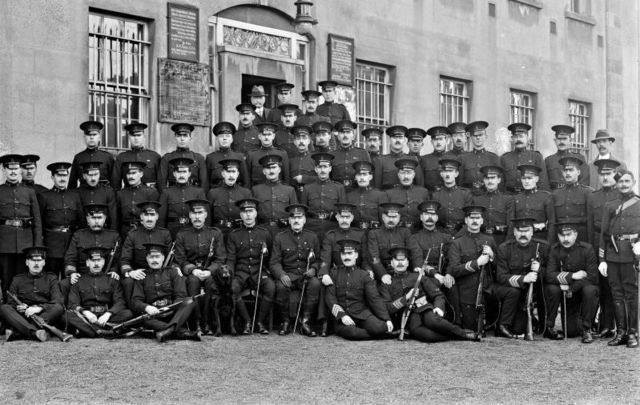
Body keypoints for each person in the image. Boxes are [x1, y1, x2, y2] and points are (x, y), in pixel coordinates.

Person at [379, 246, 481, 342]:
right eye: (397, 260)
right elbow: (388, 308)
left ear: (407, 263)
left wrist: (438, 307)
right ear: (391, 263)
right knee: (427, 336)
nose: (400, 263)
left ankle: (464, 334)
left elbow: (437, 295)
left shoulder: (418, 277)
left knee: (432, 321)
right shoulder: (387, 284)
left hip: (425, 310)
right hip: (408, 318)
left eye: (403, 260)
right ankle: (454, 335)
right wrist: (407, 297)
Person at [598, 168, 639, 348]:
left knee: (631, 294)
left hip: (632, 254)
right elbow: (604, 234)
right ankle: (621, 331)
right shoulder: (610, 205)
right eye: (620, 181)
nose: (623, 184)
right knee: (616, 294)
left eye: (627, 181)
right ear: (617, 183)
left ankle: (633, 333)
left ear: (633, 183)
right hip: (613, 254)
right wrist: (602, 259)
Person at [174, 199, 226, 334]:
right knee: (192, 282)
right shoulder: (182, 234)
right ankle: (195, 322)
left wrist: (210, 271)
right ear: (189, 216)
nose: (197, 217)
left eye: (200, 213)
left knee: (210, 282)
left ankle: (207, 322)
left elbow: (221, 258)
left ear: (206, 215)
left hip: (210, 272)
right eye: (194, 213)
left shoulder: (215, 233)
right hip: (192, 273)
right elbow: (180, 259)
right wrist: (193, 270)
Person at [130, 243, 200, 342]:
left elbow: (180, 295)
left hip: (173, 314)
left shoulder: (173, 272)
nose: (154, 260)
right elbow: (135, 301)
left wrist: (173, 306)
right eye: (151, 257)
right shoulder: (142, 275)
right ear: (147, 258)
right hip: (154, 316)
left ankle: (169, 330)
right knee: (144, 320)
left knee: (190, 301)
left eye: (157, 257)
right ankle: (182, 332)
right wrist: (147, 307)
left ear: (163, 258)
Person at [318, 202, 369, 336]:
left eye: (348, 217)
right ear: (337, 217)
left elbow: (364, 258)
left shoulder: (360, 235)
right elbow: (325, 258)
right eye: (342, 217)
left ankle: (365, 319)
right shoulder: (331, 235)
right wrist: (324, 273)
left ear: (352, 218)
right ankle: (325, 322)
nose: (345, 220)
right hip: (337, 272)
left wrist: (369, 272)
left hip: (356, 272)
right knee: (324, 283)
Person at [325, 238, 393, 340]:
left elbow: (374, 299)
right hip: (343, 318)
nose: (346, 257)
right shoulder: (334, 273)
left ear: (356, 255)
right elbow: (330, 298)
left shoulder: (364, 275)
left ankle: (379, 333)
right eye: (343, 254)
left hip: (362, 314)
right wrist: (342, 316)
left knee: (380, 328)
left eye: (350, 253)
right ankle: (381, 335)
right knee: (352, 333)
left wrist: (386, 319)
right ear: (340, 255)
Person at [270, 204, 321, 336]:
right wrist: (281, 275)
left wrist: (314, 270)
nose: (296, 220)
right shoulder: (280, 237)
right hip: (288, 275)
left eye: (300, 217)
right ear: (289, 220)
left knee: (315, 284)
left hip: (306, 275)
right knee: (281, 287)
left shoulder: (312, 237)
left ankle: (306, 322)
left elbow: (318, 259)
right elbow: (274, 262)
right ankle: (285, 322)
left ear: (305, 220)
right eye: (293, 218)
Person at [226, 198, 275, 335]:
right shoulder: (233, 235)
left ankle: (259, 322)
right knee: (232, 288)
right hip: (241, 273)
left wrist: (268, 272)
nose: (248, 215)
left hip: (258, 271)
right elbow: (231, 259)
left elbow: (270, 256)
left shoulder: (265, 233)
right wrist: (230, 274)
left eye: (250, 211)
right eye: (244, 212)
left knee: (270, 287)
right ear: (240, 215)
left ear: (256, 213)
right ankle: (247, 321)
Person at [545, 220, 599, 343]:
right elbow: (549, 275)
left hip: (580, 291)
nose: (565, 239)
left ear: (576, 234)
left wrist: (571, 288)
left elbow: (592, 277)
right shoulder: (554, 250)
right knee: (570, 332)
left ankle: (587, 329)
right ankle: (549, 327)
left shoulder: (587, 249)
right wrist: (573, 275)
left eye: (569, 235)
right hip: (565, 294)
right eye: (562, 235)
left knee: (590, 289)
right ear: (558, 236)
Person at [494, 217, 548, 338]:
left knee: (547, 289)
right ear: (514, 232)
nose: (523, 234)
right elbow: (501, 277)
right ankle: (504, 325)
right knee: (518, 329)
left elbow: (550, 273)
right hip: (512, 293)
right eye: (519, 231)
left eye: (527, 230)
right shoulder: (504, 248)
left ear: (532, 232)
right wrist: (524, 279)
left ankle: (546, 325)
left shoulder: (542, 247)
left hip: (530, 293)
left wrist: (539, 270)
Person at [446, 205, 497, 332]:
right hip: (467, 289)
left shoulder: (489, 240)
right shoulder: (457, 243)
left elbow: (500, 267)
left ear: (482, 221)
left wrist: (492, 255)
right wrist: (477, 263)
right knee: (471, 326)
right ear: (466, 221)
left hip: (488, 288)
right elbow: (454, 269)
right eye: (471, 218)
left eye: (478, 218)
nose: (474, 221)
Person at [587, 159, 621, 338]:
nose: (606, 177)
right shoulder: (593, 196)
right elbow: (589, 223)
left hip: (615, 245)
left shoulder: (621, 195)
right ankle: (597, 323)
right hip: (596, 243)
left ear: (615, 174)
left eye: (609, 174)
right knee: (597, 284)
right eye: (602, 174)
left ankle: (610, 324)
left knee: (611, 286)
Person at [66, 246, 133, 338]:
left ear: (104, 262)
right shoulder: (78, 280)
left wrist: (108, 314)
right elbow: (72, 303)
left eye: (99, 260)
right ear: (87, 263)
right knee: (67, 315)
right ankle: (102, 331)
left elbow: (120, 302)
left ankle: (89, 331)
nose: (96, 264)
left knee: (128, 313)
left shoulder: (112, 280)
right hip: (86, 317)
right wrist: (86, 312)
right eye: (93, 261)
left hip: (106, 317)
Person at [0, 246, 63, 342]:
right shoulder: (17, 279)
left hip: (43, 315)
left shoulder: (51, 278)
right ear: (27, 262)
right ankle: (34, 332)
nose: (36, 263)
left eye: (39, 260)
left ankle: (19, 332)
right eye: (33, 260)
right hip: (23, 315)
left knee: (58, 308)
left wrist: (39, 308)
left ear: (44, 262)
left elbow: (57, 301)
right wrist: (19, 307)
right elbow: (11, 302)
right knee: (4, 308)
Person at [0, 154, 43, 295]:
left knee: (24, 279)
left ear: (20, 170)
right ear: (4, 170)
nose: (13, 172)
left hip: (26, 244)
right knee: (6, 279)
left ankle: (22, 309)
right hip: (4, 244)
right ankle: (7, 311)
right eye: (9, 168)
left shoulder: (29, 192)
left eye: (16, 168)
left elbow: (37, 221)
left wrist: (36, 246)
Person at [61, 203, 121, 300]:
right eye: (93, 218)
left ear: (105, 218)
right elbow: (70, 258)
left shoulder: (114, 236)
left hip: (105, 276)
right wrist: (72, 273)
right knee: (64, 284)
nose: (96, 221)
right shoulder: (78, 235)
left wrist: (114, 271)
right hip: (82, 276)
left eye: (100, 218)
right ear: (87, 219)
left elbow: (117, 259)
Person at [407, 201, 455, 319]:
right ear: (421, 217)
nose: (430, 217)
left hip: (444, 274)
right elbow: (418, 263)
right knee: (432, 284)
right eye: (426, 214)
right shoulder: (414, 238)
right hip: (425, 275)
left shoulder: (446, 237)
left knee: (454, 285)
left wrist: (449, 274)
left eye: (433, 214)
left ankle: (455, 319)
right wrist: (436, 275)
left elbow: (452, 259)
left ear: (437, 217)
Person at [120, 201, 172, 306]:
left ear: (157, 216)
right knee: (128, 282)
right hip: (141, 274)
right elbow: (124, 260)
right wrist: (130, 272)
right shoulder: (132, 235)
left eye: (152, 215)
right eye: (146, 215)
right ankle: (133, 312)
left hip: (160, 273)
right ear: (141, 216)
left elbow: (171, 258)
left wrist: (176, 268)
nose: (149, 218)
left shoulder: (165, 234)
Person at [37, 162, 84, 278]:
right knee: (51, 279)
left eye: (64, 175)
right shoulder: (44, 196)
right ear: (52, 177)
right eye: (59, 176)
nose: (62, 179)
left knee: (69, 280)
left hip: (70, 244)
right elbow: (39, 223)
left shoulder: (75, 196)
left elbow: (81, 221)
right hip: (52, 245)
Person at [299, 152, 346, 239]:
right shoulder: (307, 188)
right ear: (316, 169)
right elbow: (303, 211)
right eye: (320, 167)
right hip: (312, 227)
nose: (322, 170)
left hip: (332, 227)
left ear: (330, 168)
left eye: (325, 167)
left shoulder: (339, 188)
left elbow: (342, 211)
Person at [158, 157, 208, 238]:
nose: (181, 175)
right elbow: (161, 219)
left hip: (193, 232)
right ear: (174, 174)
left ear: (189, 173)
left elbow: (205, 218)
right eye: (178, 172)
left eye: (184, 172)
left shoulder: (198, 192)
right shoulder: (166, 192)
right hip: (172, 232)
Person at [251, 154, 298, 236]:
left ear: (279, 169)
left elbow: (295, 214)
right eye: (268, 168)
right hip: (262, 231)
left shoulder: (289, 190)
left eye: (274, 167)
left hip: (284, 232)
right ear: (263, 171)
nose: (271, 171)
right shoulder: (256, 190)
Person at [367, 202, 412, 284]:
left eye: (394, 217)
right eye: (388, 217)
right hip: (382, 274)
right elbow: (374, 257)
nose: (391, 220)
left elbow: (413, 252)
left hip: (402, 273)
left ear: (399, 218)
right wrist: (383, 274)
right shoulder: (374, 233)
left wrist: (417, 267)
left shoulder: (405, 232)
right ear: (383, 217)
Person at [551, 156, 593, 243]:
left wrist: (590, 243)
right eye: (565, 170)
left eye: (571, 170)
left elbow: (590, 221)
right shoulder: (555, 194)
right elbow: (553, 222)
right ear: (562, 173)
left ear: (578, 172)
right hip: (562, 238)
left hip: (581, 238)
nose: (568, 173)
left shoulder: (588, 192)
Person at [509, 164, 555, 243]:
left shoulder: (546, 197)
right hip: (521, 241)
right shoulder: (516, 199)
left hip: (540, 239)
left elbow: (552, 223)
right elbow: (511, 225)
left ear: (536, 179)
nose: (526, 181)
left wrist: (549, 244)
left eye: (529, 178)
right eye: (524, 178)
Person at [206, 158, 252, 237]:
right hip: (219, 233)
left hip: (240, 233)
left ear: (237, 174)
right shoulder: (213, 193)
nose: (231, 175)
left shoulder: (245, 193)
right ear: (223, 174)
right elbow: (208, 218)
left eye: (233, 172)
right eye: (228, 172)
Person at [111, 122, 161, 191]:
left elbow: (161, 182)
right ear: (129, 137)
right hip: (129, 197)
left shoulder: (154, 156)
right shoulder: (122, 157)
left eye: (139, 135)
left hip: (150, 197)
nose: (136, 138)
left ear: (144, 136)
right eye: (133, 135)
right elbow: (115, 183)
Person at [501, 123, 549, 193]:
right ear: (512, 139)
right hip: (509, 197)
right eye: (515, 136)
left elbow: (543, 182)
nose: (518, 139)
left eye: (521, 136)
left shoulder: (536, 157)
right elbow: (501, 183)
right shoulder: (505, 158)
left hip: (530, 196)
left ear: (527, 138)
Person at [385, 158, 430, 232]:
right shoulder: (389, 194)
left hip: (418, 232)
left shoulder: (423, 192)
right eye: (402, 173)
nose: (405, 176)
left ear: (414, 174)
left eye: (409, 173)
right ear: (398, 175)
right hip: (397, 233)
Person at [116, 161, 160, 238]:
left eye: (133, 173)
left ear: (141, 174)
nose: (130, 176)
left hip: (144, 232)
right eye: (128, 174)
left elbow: (155, 216)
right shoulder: (121, 194)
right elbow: (117, 218)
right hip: (125, 233)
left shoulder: (151, 192)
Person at [158, 123, 208, 190]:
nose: (182, 139)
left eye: (185, 136)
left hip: (194, 194)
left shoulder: (199, 158)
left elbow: (204, 183)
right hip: (173, 194)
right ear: (175, 137)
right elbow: (161, 182)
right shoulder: (167, 158)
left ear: (190, 138)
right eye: (179, 136)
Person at [472, 165, 513, 246]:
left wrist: (506, 244)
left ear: (499, 180)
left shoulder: (508, 200)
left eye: (493, 178)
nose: (489, 181)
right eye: (487, 178)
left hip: (500, 240)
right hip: (481, 241)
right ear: (483, 180)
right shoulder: (477, 200)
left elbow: (511, 225)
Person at [432, 158, 472, 236]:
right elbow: (434, 220)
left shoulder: (465, 194)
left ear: (456, 174)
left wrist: (459, 236)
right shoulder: (435, 195)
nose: (447, 174)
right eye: (445, 171)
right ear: (441, 174)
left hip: (461, 234)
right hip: (441, 234)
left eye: (450, 171)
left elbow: (469, 219)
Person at [374, 125, 423, 190]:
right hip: (387, 198)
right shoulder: (381, 160)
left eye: (400, 137)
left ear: (405, 140)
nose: (397, 140)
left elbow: (420, 186)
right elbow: (377, 187)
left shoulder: (413, 159)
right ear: (389, 140)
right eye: (394, 137)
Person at [69, 120, 114, 188]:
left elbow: (114, 182)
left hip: (104, 196)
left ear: (99, 137)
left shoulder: (107, 157)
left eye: (94, 134)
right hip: (83, 196)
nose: (91, 137)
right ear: (84, 137)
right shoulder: (78, 158)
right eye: (89, 135)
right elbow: (72, 184)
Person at [459, 121, 500, 196]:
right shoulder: (463, 158)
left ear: (486, 136)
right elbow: (460, 182)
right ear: (470, 137)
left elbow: (500, 183)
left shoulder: (494, 158)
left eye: (480, 135)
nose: (478, 138)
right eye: (474, 136)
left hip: (488, 196)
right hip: (468, 197)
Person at [206, 121, 249, 189]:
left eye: (227, 136)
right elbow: (207, 181)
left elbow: (246, 181)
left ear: (232, 139)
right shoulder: (210, 158)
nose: (224, 138)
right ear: (217, 139)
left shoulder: (239, 156)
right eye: (221, 136)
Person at [76, 161, 118, 231]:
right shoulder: (78, 193)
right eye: (90, 175)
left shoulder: (108, 191)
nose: (93, 178)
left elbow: (113, 218)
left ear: (99, 174)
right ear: (84, 176)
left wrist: (112, 236)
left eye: (96, 174)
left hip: (104, 233)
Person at [346, 160, 388, 231]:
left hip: (374, 233)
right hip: (355, 235)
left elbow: (384, 222)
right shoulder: (349, 196)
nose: (362, 178)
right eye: (359, 175)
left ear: (370, 177)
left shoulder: (380, 195)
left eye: (365, 174)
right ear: (356, 177)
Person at [544, 124, 589, 190]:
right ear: (555, 140)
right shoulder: (548, 160)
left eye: (564, 139)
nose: (561, 142)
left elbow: (584, 181)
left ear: (570, 140)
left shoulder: (579, 158)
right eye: (559, 139)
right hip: (554, 197)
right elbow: (545, 184)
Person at [246, 121, 290, 186]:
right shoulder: (252, 155)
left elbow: (286, 178)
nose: (266, 137)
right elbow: (247, 178)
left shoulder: (282, 154)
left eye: (269, 134)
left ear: (273, 136)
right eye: (264, 135)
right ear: (259, 136)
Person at [331, 120, 370, 189]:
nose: (345, 135)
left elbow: (369, 176)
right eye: (342, 132)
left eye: (348, 132)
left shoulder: (363, 153)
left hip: (357, 191)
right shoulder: (331, 155)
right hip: (337, 192)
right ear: (338, 136)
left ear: (353, 136)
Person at [288, 125, 317, 198]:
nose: (301, 141)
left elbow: (323, 178)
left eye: (304, 138)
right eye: (298, 138)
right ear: (294, 141)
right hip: (295, 197)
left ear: (309, 140)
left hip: (312, 196)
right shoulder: (290, 160)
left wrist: (304, 179)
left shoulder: (315, 158)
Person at [420, 126, 452, 192]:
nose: (438, 142)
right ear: (431, 142)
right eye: (435, 139)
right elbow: (421, 183)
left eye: (440, 139)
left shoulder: (453, 158)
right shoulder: (424, 159)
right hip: (430, 196)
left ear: (446, 141)